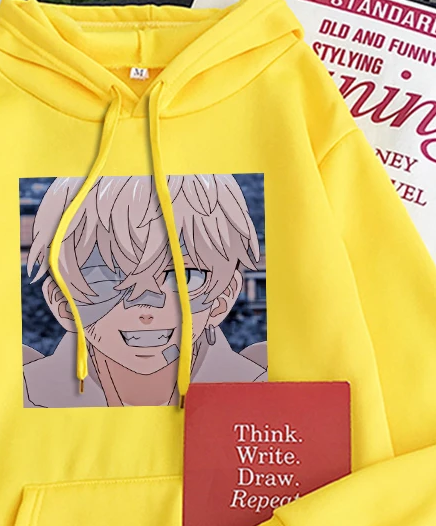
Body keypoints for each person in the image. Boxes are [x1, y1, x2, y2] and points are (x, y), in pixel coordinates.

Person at [22, 174, 267, 407]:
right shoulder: (25, 392)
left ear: (224, 297)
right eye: (107, 276)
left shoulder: (258, 388)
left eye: (185, 277)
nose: (146, 307)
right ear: (61, 301)